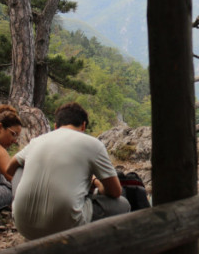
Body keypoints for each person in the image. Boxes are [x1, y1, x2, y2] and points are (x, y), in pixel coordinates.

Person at [8, 102, 130, 240]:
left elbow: (9, 168)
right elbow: (115, 192)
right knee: (122, 205)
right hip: (66, 226)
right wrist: (95, 181)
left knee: (19, 167)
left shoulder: (36, 141)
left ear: (55, 126)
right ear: (83, 125)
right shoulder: (93, 144)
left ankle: (19, 207)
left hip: (25, 227)